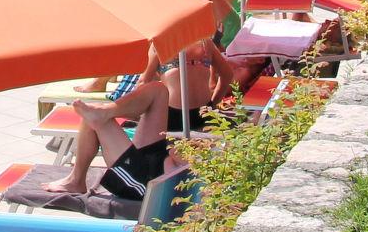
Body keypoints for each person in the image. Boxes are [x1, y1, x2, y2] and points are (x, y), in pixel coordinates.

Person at [58, 37, 239, 198]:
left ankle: (76, 179)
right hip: (163, 151)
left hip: (139, 179)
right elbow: (228, 75)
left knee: (93, 117)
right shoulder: (204, 42)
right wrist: (212, 107)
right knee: (157, 90)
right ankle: (105, 112)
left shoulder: (163, 42)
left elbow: (143, 81)